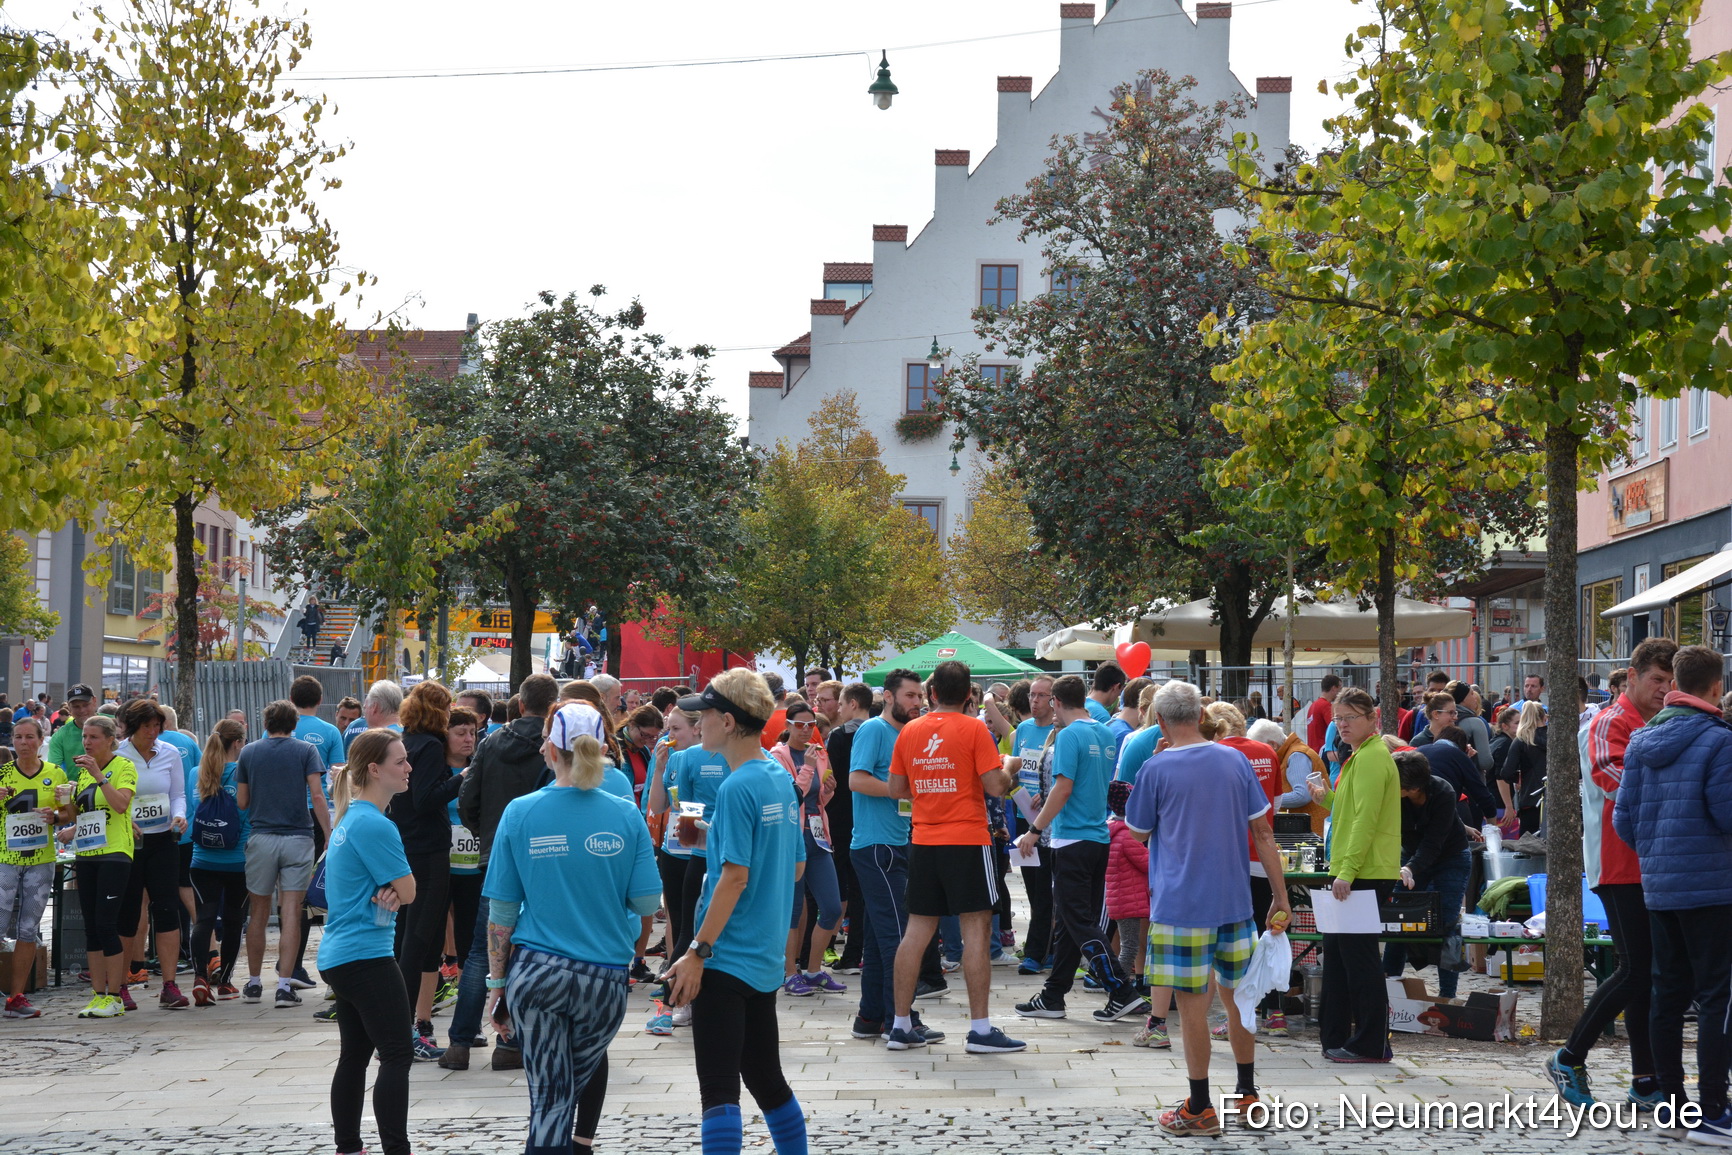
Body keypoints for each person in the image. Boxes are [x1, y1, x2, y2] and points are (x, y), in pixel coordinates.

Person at [483, 693, 660, 1155]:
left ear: (549, 748)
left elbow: (501, 912)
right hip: (603, 976)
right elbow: (646, 902)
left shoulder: (520, 813)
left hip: (538, 971)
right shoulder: (624, 813)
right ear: (603, 747)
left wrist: (497, 982)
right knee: (562, 1097)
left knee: (550, 1099)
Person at [1124, 680, 1292, 1136]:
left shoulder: (1156, 769)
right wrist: (1280, 895)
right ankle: (1247, 1095)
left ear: (1160, 721)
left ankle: (1199, 1106)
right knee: (1240, 1000)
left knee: (1192, 1009)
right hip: (1234, 901)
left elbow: (1137, 832)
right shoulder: (1235, 759)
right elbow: (1263, 833)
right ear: (1200, 715)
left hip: (1180, 905)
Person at [665, 671, 810, 1155]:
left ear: (727, 722)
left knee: (720, 1092)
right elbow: (790, 867)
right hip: (764, 957)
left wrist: (696, 952)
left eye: (703, 714)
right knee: (767, 1080)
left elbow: (734, 878)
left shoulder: (734, 788)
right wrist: (712, 838)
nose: (696, 721)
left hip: (725, 957)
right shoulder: (776, 777)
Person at [1544, 637, 1676, 1109]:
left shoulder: (1656, 721)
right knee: (1635, 968)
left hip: (1656, 863)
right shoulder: (1608, 721)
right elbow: (1613, 778)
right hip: (1619, 863)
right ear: (1632, 675)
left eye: (1672, 681)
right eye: (1658, 679)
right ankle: (1569, 1055)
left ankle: (1645, 1079)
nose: (1665, 688)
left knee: (1648, 973)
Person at [1617, 644, 1732, 1142]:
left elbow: (1624, 821)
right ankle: (1713, 1110)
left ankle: (1670, 1104)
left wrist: (1659, 851)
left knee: (1667, 994)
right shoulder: (1718, 740)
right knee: (1716, 997)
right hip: (1712, 887)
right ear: (1715, 688)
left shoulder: (1643, 739)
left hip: (1660, 887)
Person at [886, 660, 1024, 1054]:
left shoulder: (910, 730)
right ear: (968, 696)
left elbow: (897, 789)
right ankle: (980, 1030)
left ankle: (899, 1025)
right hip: (966, 839)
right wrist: (1010, 766)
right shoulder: (974, 729)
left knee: (917, 931)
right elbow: (996, 786)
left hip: (924, 840)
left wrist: (932, 787)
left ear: (931, 694)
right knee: (976, 930)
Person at [1014, 672, 1144, 1025]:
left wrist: (1034, 829)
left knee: (1079, 921)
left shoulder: (1069, 735)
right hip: (1097, 838)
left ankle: (1121, 990)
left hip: (1070, 839)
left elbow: (1064, 787)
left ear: (1056, 702)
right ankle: (1053, 996)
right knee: (1070, 923)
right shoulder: (1104, 731)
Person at [445, 673, 560, 1071]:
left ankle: (460, 1041)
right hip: (544, 860)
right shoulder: (554, 748)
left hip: (495, 858)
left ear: (521, 705)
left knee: (482, 951)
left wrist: (484, 836)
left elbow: (466, 798)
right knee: (533, 951)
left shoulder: (492, 742)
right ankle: (510, 1043)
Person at [319, 729, 417, 1155]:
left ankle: (348, 1148)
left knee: (355, 1057)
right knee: (397, 1054)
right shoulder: (375, 824)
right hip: (366, 956)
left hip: (342, 954)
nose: (408, 767)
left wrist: (396, 887)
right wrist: (399, 888)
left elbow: (399, 888)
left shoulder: (351, 818)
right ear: (375, 770)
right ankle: (396, 1148)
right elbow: (410, 890)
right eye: (400, 762)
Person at [847, 668, 943, 1043]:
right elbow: (856, 779)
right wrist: (900, 791)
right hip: (876, 846)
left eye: (920, 697)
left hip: (898, 841)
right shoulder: (873, 729)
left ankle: (870, 1017)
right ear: (887, 697)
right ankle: (902, 1019)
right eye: (910, 696)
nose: (917, 703)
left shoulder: (909, 733)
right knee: (899, 937)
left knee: (876, 936)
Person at [1305, 686, 1400, 1064]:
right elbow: (1352, 809)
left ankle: (1371, 1042)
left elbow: (1366, 820)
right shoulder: (1360, 755)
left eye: (1349, 718)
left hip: (1365, 870)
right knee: (1343, 959)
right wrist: (1325, 798)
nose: (1341, 725)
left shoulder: (1374, 757)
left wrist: (1346, 872)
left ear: (1371, 719)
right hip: (1355, 867)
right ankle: (1338, 1037)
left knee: (1360, 962)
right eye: (1338, 718)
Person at [237, 699, 332, 1007]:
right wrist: (329, 834)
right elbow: (317, 795)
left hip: (262, 837)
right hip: (298, 838)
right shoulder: (306, 751)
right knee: (291, 911)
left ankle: (252, 984)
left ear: (266, 723)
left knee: (259, 912)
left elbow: (242, 801)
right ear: (294, 724)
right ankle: (283, 986)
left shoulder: (249, 752)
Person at [392, 680, 465, 1060]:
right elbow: (425, 799)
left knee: (409, 934)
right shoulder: (432, 747)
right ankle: (406, 1025)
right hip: (428, 848)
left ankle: (414, 1021)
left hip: (404, 844)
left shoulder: (405, 741)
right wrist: (460, 780)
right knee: (421, 938)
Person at [114, 697, 191, 1010]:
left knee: (167, 909)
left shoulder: (170, 753)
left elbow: (179, 794)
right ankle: (121, 985)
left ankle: (169, 985)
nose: (153, 732)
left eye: (157, 726)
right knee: (129, 913)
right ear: (134, 727)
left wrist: (180, 815)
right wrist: (124, 820)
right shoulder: (118, 754)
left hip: (163, 841)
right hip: (130, 842)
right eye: (147, 726)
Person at [768, 700, 846, 997]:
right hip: (792, 839)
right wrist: (809, 770)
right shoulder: (778, 756)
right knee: (794, 909)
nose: (805, 731)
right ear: (787, 726)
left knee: (832, 906)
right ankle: (790, 973)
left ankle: (813, 970)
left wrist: (828, 789)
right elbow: (791, 797)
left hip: (817, 836)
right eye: (799, 725)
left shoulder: (819, 753)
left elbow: (817, 800)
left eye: (810, 726)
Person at [1382, 750, 1471, 998]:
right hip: (1410, 857)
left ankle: (1447, 996)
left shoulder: (1443, 792)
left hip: (1450, 857)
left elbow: (1434, 842)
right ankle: (1388, 988)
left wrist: (1411, 867)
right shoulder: (1393, 795)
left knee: (1446, 924)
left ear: (1414, 787)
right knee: (1396, 922)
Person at [0, 717, 73, 1018]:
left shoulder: (56, 773)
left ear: (41, 740)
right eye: (18, 737)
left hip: (40, 860)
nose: (24, 743)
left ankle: (16, 996)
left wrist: (55, 815)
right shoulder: (2, 773)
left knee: (28, 929)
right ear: (12, 741)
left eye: (30, 737)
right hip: (5, 859)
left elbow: (69, 813)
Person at [72, 714, 138, 1017]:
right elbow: (80, 814)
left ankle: (116, 994)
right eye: (85, 736)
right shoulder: (83, 771)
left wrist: (100, 775)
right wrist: (63, 807)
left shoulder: (123, 766)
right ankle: (98, 994)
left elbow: (121, 804)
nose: (87, 742)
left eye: (94, 737)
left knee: (106, 924)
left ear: (111, 739)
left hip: (114, 853)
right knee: (91, 929)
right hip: (87, 854)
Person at [189, 719, 250, 1005]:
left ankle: (200, 976)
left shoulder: (195, 774)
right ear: (237, 743)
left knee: (204, 919)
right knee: (235, 921)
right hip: (239, 861)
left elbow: (193, 813)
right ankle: (225, 982)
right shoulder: (244, 773)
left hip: (202, 860)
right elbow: (249, 818)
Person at [1007, 674, 1058, 975]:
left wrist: (1046, 791)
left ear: (1054, 700)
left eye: (1041, 695)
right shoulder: (1023, 730)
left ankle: (1038, 952)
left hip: (1047, 823)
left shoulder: (1059, 732)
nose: (1035, 700)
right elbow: (1016, 769)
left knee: (1046, 892)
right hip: (1021, 818)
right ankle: (1045, 947)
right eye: (1032, 695)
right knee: (1032, 889)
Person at [821, 682, 866, 975]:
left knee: (837, 886)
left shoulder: (840, 736)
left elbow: (829, 781)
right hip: (866, 818)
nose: (837, 709)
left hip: (839, 821)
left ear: (851, 704)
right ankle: (856, 951)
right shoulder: (880, 730)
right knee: (861, 889)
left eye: (839, 703)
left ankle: (829, 945)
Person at [1505, 701, 1549, 834]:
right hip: (1556, 799)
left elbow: (1506, 772)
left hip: (1530, 799)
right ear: (1544, 718)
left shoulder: (1521, 740)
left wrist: (1518, 777)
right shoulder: (1555, 738)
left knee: (1529, 846)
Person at [343, 680, 403, 757]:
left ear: (374, 707)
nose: (365, 715)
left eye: (365, 707)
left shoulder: (375, 741)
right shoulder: (410, 733)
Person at [45, 683, 96, 771]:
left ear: (94, 701)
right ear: (69, 707)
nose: (82, 710)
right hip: (75, 784)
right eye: (76, 706)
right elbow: (54, 770)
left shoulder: (112, 725)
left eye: (85, 705)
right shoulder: (60, 736)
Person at [1307, 675, 1342, 753]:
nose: (1340, 694)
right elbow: (1336, 728)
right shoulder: (1326, 706)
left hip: (1313, 750)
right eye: (1339, 690)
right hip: (1323, 751)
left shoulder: (1313, 705)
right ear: (1333, 688)